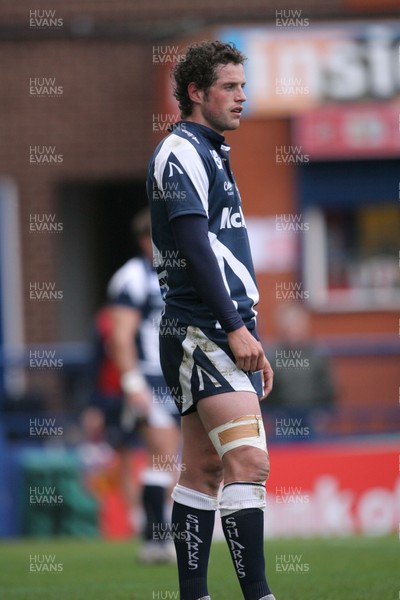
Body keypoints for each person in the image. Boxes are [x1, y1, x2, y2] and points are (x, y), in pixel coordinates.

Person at [147, 41, 276, 600]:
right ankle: (260, 595)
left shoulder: (210, 150)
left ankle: (193, 595)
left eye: (244, 86)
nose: (241, 97)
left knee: (202, 473)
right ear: (196, 93)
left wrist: (245, 326)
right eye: (230, 86)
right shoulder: (179, 153)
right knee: (248, 462)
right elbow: (196, 250)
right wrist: (234, 327)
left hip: (215, 329)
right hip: (202, 331)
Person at [90, 208, 180, 562]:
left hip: (178, 377)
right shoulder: (131, 278)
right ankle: (156, 537)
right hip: (148, 377)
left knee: (170, 461)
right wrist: (132, 382)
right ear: (146, 239)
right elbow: (121, 339)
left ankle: (155, 534)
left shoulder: (179, 273)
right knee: (163, 455)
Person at [265, 302, 336, 438]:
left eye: (296, 324)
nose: (293, 330)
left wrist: (322, 414)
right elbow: (266, 390)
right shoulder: (271, 355)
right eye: (288, 325)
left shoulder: (317, 353)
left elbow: (329, 388)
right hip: (281, 419)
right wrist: (273, 416)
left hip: (312, 418)